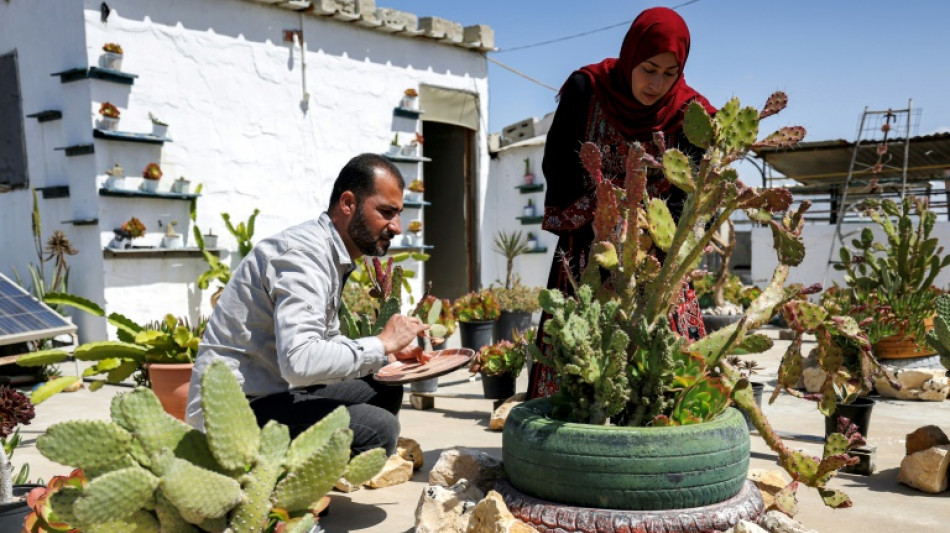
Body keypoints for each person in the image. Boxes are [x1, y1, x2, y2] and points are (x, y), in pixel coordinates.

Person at [527, 7, 716, 399]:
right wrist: (604, 213)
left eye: (669, 73)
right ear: (631, 56)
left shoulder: (689, 111)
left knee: (665, 362)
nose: (656, 84)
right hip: (590, 245)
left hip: (655, 255)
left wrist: (652, 230)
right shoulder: (588, 88)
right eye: (648, 68)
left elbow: (692, 191)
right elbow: (559, 162)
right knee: (579, 349)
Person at [185, 153, 428, 456]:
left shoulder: (329, 253)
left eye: (398, 213)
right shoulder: (303, 255)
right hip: (232, 416)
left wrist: (387, 353)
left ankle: (303, 475)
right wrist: (380, 343)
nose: (397, 227)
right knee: (379, 429)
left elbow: (323, 342)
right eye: (386, 212)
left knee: (383, 385)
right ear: (348, 203)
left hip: (275, 394)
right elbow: (300, 363)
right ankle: (277, 487)